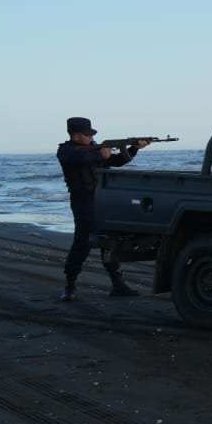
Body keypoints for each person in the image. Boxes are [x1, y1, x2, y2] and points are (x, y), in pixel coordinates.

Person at [56, 117, 156, 301]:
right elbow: (84, 157)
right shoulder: (66, 151)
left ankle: (118, 285)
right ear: (76, 136)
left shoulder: (93, 148)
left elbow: (117, 161)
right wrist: (102, 152)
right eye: (87, 135)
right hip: (82, 201)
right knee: (83, 242)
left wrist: (133, 148)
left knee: (108, 241)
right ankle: (70, 286)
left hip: (102, 200)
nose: (90, 138)